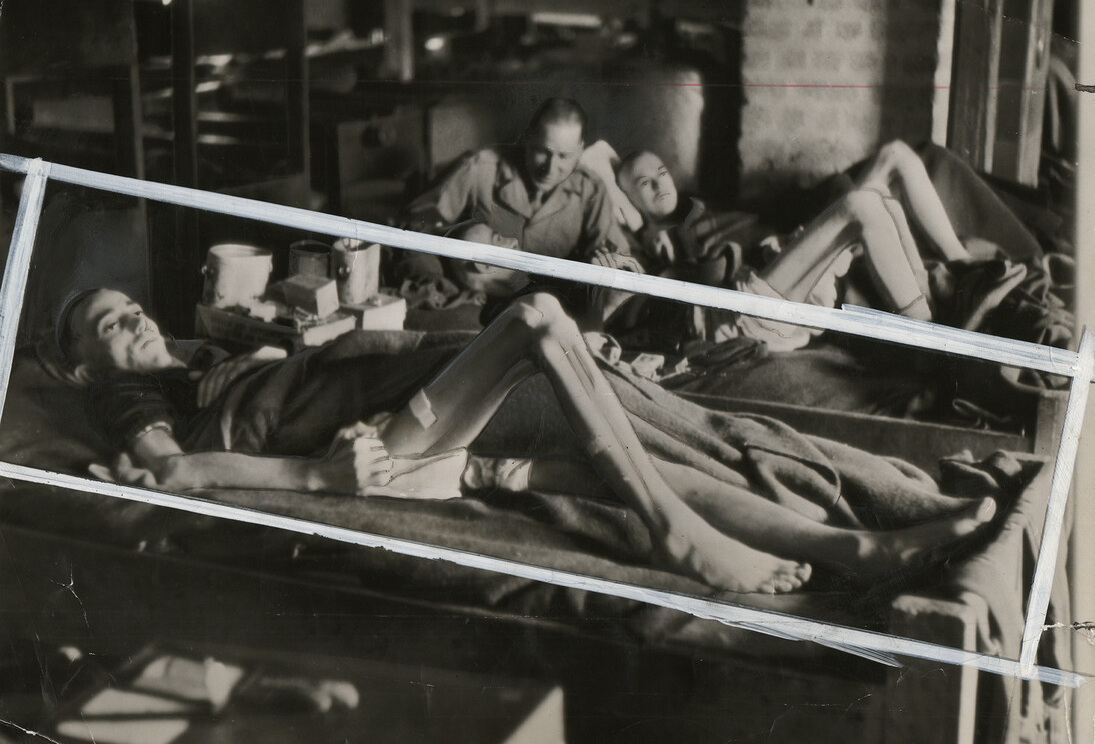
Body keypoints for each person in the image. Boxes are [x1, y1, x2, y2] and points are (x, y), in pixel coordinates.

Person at [56, 287, 999, 595]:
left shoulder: (194, 349)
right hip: (371, 450)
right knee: (538, 318)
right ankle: (681, 539)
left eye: (129, 307)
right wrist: (314, 472)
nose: (130, 321)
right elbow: (176, 471)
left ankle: (859, 545)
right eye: (107, 323)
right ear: (87, 368)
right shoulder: (123, 397)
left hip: (406, 423)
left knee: (623, 454)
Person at [612, 140, 1021, 351]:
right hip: (750, 302)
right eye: (643, 183)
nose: (658, 184)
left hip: (783, 272)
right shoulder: (658, 243)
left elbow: (759, 222)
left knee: (892, 161)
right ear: (629, 200)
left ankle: (960, 264)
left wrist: (784, 238)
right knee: (860, 205)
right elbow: (696, 281)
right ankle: (929, 336)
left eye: (661, 172)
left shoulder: (701, 207)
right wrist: (748, 253)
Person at [405, 98, 634, 267]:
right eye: (541, 152)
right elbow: (419, 221)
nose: (550, 168)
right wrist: (461, 242)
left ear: (580, 150)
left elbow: (616, 252)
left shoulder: (590, 189)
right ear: (526, 138)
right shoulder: (480, 167)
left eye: (564, 156)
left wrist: (605, 262)